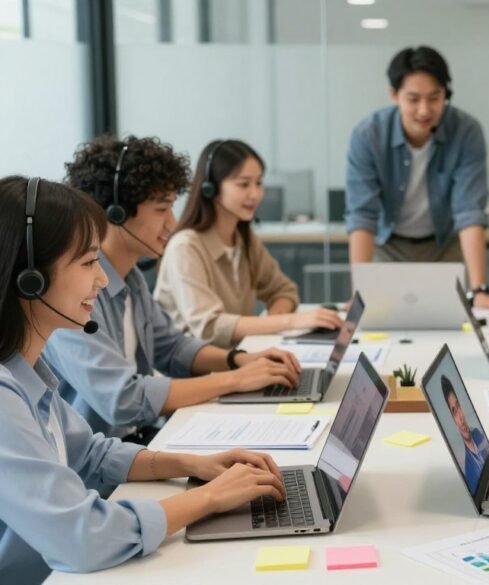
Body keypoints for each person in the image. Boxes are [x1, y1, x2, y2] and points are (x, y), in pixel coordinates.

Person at [0, 176, 287, 585]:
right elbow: (82, 536)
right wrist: (208, 498)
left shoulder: (26, 374)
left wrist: (194, 463)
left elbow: (90, 456)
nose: (101, 279)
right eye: (86, 264)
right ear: (31, 278)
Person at [44, 134, 301, 441]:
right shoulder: (74, 294)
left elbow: (172, 348)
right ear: (116, 213)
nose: (172, 222)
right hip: (101, 470)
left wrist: (237, 359)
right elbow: (123, 400)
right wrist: (235, 379)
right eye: (161, 209)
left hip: (139, 443)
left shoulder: (132, 278)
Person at [345, 45, 489, 310]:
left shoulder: (466, 132)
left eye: (435, 97)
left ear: (446, 95)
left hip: (443, 247)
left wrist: (479, 289)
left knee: (447, 324)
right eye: (413, 99)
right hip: (389, 246)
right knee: (382, 322)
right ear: (394, 95)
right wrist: (358, 293)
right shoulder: (368, 135)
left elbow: (469, 213)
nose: (424, 110)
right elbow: (362, 217)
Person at [154, 139, 343, 348]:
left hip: (236, 360)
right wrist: (290, 321)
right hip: (196, 373)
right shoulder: (186, 247)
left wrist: (277, 316)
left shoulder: (244, 239)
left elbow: (284, 290)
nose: (256, 194)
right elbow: (209, 327)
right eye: (243, 184)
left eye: (259, 183)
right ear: (211, 188)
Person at [441, 374, 489, 494]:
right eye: (454, 412)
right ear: (452, 419)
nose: (460, 417)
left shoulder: (478, 435)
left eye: (458, 407)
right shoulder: (468, 469)